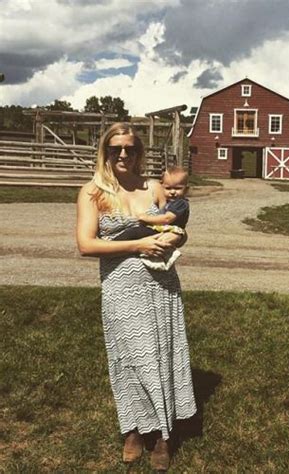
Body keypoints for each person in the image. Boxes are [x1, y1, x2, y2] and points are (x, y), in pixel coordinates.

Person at [76, 122, 196, 470]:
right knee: (128, 358)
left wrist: (175, 239)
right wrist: (139, 244)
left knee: (162, 354)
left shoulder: (155, 188)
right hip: (120, 288)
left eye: (130, 148)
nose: (124, 154)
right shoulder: (92, 193)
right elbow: (86, 245)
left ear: (140, 152)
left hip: (161, 285)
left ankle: (162, 436)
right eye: (116, 149)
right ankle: (132, 429)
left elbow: (178, 229)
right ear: (106, 152)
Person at [111, 166, 190, 271]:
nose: (172, 192)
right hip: (164, 229)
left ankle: (113, 245)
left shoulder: (180, 203)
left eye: (177, 188)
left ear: (186, 189)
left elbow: (167, 219)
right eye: (168, 188)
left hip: (168, 229)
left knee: (135, 232)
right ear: (162, 186)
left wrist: (146, 218)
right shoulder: (170, 201)